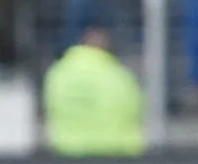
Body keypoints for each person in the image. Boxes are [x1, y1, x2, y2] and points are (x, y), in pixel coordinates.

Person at [44, 26, 145, 157]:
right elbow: (135, 111)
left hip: (68, 152)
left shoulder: (58, 73)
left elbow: (51, 108)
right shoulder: (118, 75)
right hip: (115, 154)